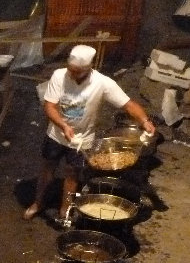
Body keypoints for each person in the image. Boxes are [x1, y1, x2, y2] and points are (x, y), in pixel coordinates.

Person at [23, 44, 156, 222]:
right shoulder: (59, 76)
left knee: (72, 174)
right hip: (55, 134)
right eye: (71, 70)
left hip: (82, 139)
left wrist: (144, 121)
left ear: (89, 68)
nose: (73, 74)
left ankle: (65, 211)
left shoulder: (102, 83)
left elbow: (128, 104)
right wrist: (63, 125)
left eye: (78, 72)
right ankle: (38, 203)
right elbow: (49, 106)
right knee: (48, 168)